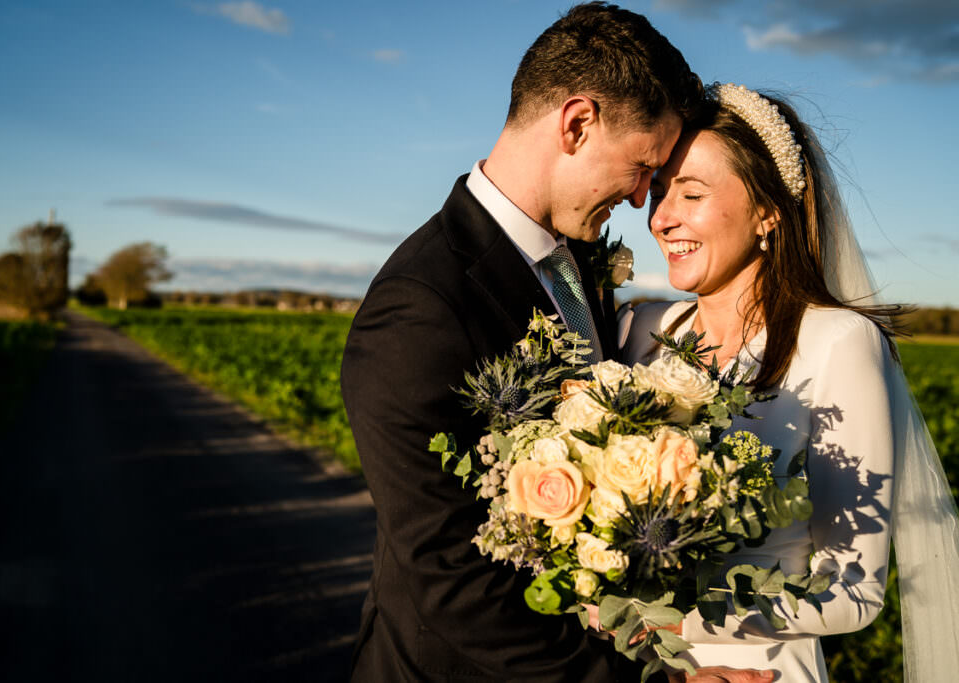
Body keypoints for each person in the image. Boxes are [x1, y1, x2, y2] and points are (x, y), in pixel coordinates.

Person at [341, 4, 775, 682]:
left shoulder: (577, 262)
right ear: (576, 124)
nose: (641, 200)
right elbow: (455, 582)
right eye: (641, 166)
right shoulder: (419, 307)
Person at [620, 82, 959, 681]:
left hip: (762, 668)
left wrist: (679, 623)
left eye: (692, 193)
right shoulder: (641, 328)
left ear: (768, 212)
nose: (663, 218)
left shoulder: (836, 341)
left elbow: (853, 591)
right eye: (660, 194)